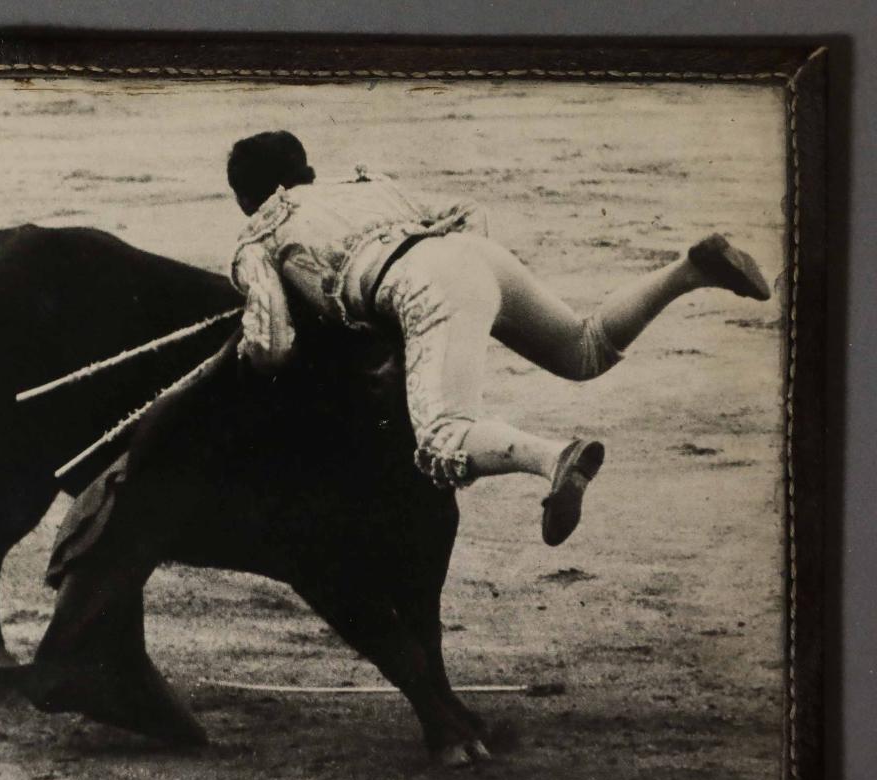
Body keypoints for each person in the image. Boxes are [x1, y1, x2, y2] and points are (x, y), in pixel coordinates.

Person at [226, 130, 771, 546]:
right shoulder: (366, 184)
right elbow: (466, 211)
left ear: (246, 201)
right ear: (310, 171)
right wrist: (468, 296)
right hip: (475, 258)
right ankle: (688, 271)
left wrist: (252, 359)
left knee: (441, 438)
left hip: (421, 286)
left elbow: (272, 343)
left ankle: (555, 457)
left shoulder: (260, 237)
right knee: (585, 349)